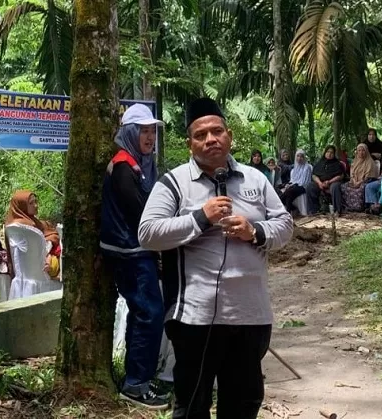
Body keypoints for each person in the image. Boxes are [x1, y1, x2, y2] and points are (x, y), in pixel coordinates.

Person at [138, 97, 293, 419]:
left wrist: (255, 231)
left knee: (243, 403)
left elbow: (285, 225)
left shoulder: (255, 179)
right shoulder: (174, 182)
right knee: (192, 404)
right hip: (195, 317)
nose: (211, 139)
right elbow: (148, 233)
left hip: (251, 314)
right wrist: (200, 218)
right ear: (189, 143)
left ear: (229, 135)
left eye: (217, 131)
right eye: (201, 134)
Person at [99, 103, 168, 409]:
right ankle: (136, 385)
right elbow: (142, 211)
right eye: (144, 131)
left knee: (144, 313)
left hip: (139, 250)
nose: (150, 137)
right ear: (129, 132)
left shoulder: (141, 163)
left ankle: (137, 377)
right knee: (150, 313)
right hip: (130, 252)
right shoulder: (124, 166)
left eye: (152, 131)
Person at [5, 190, 61, 279]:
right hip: (39, 273)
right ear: (22, 206)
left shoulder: (11, 224)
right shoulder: (28, 227)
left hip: (21, 276)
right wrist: (49, 255)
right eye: (31, 203)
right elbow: (37, 251)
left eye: (36, 201)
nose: (36, 205)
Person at [307, 145, 345, 215]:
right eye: (327, 152)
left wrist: (329, 181)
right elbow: (314, 175)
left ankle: (337, 210)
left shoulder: (337, 164)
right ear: (325, 153)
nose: (329, 154)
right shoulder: (319, 163)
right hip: (320, 183)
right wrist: (319, 183)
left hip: (333, 182)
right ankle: (314, 210)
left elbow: (340, 176)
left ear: (334, 154)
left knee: (335, 187)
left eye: (332, 152)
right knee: (310, 186)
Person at [342, 143, 378, 212]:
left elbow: (369, 177)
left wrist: (359, 182)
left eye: (363, 150)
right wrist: (354, 181)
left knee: (361, 188)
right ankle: (348, 207)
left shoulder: (370, 162)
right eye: (359, 150)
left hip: (366, 181)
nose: (361, 152)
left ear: (366, 151)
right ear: (357, 152)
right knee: (343, 186)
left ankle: (360, 208)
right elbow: (352, 174)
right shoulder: (355, 161)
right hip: (355, 181)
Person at [279, 149, 312, 214]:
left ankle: (288, 212)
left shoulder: (307, 167)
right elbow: (292, 181)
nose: (299, 158)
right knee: (286, 191)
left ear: (304, 158)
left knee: (289, 191)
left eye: (301, 156)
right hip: (294, 186)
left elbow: (304, 182)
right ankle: (292, 210)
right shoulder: (293, 169)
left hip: (303, 187)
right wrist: (288, 185)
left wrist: (292, 185)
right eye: (298, 156)